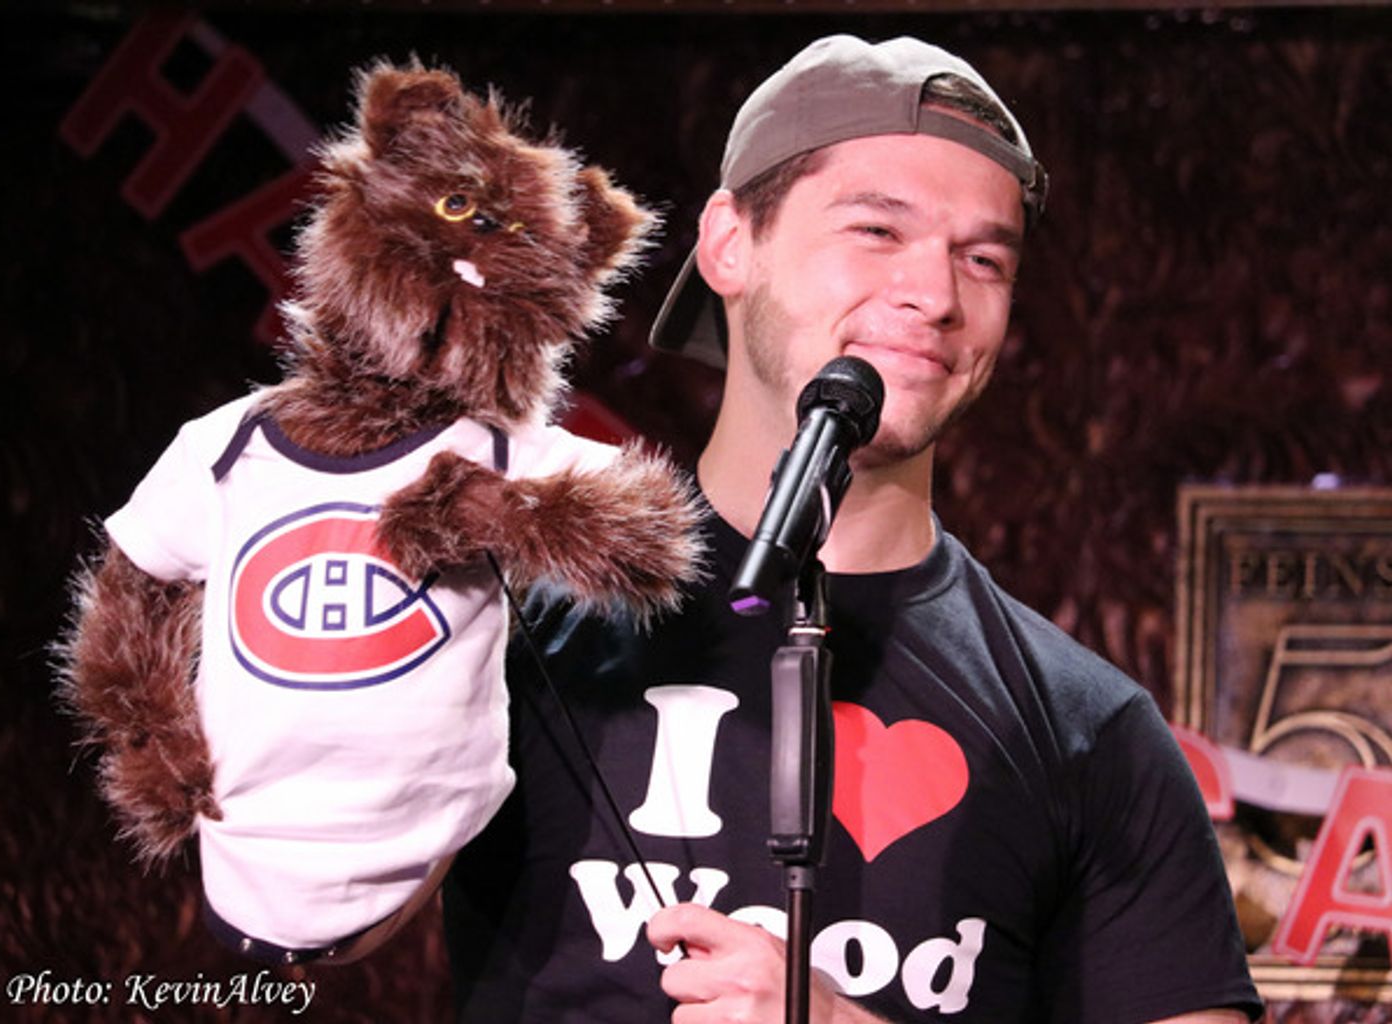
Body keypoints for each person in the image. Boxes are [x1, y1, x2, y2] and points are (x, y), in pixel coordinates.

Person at [442, 34, 1263, 1023]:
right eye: (876, 230)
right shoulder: (518, 624)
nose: (935, 295)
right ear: (728, 242)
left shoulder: (1092, 731)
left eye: (983, 257)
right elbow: (308, 918)